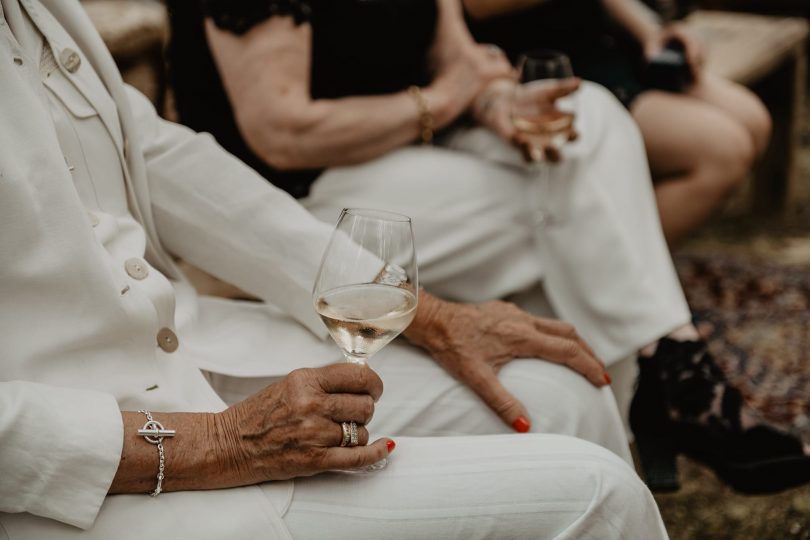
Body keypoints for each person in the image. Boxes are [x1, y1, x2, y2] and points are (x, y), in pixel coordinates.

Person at [0, 0, 674, 538]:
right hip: (95, 471)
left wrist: (426, 313)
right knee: (599, 499)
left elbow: (156, 154)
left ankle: (666, 361)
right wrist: (221, 441)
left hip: (196, 351)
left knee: (558, 394)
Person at [166, 0, 809, 494]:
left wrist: (502, 102)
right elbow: (282, 131)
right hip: (299, 201)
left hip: (417, 158)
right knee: (565, 208)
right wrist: (443, 102)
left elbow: (463, 65)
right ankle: (660, 385)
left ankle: (660, 378)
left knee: (588, 114)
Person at [465, 0, 772, 244]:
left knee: (753, 120)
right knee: (722, 152)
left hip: (604, 43)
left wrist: (650, 31)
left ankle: (632, 269)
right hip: (541, 67)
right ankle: (612, 288)